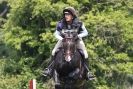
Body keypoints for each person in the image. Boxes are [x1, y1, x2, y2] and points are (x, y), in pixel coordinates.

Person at [43, 7, 94, 80]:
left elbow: (86, 32)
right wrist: (62, 39)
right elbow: (56, 34)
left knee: (85, 54)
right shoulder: (60, 23)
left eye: (68, 14)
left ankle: (88, 73)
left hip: (76, 41)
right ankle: (49, 70)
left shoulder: (79, 23)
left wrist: (78, 36)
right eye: (65, 14)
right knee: (53, 52)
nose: (66, 16)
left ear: (72, 16)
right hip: (63, 41)